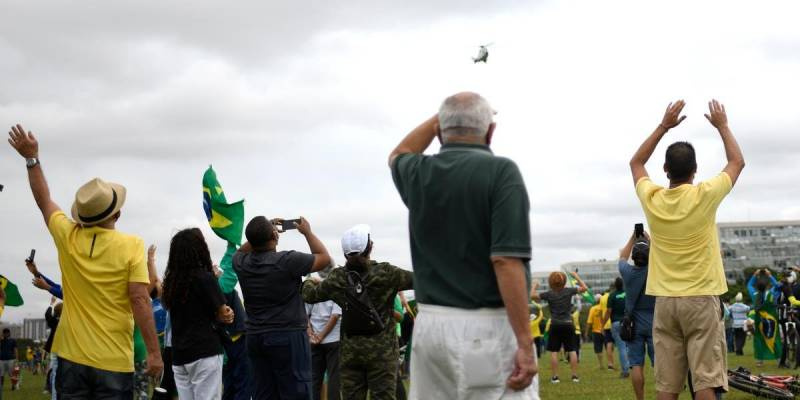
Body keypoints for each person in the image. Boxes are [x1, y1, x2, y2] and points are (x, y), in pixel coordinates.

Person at [389, 92, 538, 399]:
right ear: (490, 132)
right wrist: (525, 342)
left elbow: (399, 153)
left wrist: (440, 120)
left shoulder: (419, 172)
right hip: (485, 327)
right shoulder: (501, 172)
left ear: (440, 132)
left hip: (429, 327)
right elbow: (506, 261)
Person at [7, 124, 164, 398]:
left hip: (70, 357)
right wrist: (153, 352)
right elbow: (140, 300)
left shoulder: (68, 235)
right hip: (114, 359)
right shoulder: (132, 245)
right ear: (117, 214)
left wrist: (32, 159)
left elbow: (43, 201)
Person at [629, 99, 745, 400]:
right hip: (702, 298)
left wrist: (663, 126)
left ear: (665, 169)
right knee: (705, 381)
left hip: (665, 302)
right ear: (695, 170)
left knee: (667, 386)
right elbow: (736, 162)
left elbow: (636, 163)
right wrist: (722, 126)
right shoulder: (704, 195)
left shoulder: (653, 199)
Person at [302, 224, 414, 400]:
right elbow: (418, 280)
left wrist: (310, 281)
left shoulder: (337, 278)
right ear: (370, 247)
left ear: (345, 254)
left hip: (350, 353)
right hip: (382, 354)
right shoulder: (386, 273)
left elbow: (309, 295)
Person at [234, 216, 332, 400]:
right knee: (296, 393)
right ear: (274, 235)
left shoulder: (241, 263)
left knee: (263, 393)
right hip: (288, 335)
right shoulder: (287, 260)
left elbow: (241, 250)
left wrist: (261, 232)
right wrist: (307, 232)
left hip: (255, 337)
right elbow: (324, 259)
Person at [162, 228, 234, 400]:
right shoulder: (205, 278)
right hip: (204, 352)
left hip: (179, 356)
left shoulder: (171, 283)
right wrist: (228, 313)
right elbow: (224, 313)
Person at [531, 271, 588, 383]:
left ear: (550, 282)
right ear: (564, 281)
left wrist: (535, 285)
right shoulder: (568, 291)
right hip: (568, 324)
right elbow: (584, 288)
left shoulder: (549, 294)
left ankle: (555, 377)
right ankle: (575, 376)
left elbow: (532, 296)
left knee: (554, 351)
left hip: (555, 325)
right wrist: (576, 276)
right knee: (572, 350)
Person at [619, 231, 656, 400]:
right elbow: (663, 254)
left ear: (634, 257)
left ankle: (640, 398)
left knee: (636, 364)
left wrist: (633, 238)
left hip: (633, 324)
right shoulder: (656, 270)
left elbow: (622, 256)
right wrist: (650, 239)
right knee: (660, 365)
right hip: (656, 321)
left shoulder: (627, 272)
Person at [305, 295, 342, 400]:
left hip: (314, 340)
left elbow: (305, 314)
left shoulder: (310, 286)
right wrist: (320, 336)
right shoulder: (336, 285)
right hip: (334, 340)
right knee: (334, 379)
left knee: (314, 379)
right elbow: (335, 316)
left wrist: (311, 334)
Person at [747, 269, 782, 367]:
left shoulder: (754, 294)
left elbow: (749, 285)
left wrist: (754, 275)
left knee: (759, 338)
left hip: (760, 320)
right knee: (775, 338)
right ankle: (779, 359)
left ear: (757, 286)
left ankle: (759, 361)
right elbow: (778, 286)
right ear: (767, 286)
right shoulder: (771, 294)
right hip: (772, 319)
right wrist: (770, 275)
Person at [602, 277, 630, 378]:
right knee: (629, 346)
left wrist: (603, 324)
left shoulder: (612, 295)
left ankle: (625, 371)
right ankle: (632, 366)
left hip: (616, 323)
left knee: (622, 347)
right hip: (628, 322)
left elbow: (608, 311)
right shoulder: (628, 293)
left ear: (614, 285)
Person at [44, 297, 62, 399]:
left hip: (55, 351)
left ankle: (55, 397)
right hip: (67, 351)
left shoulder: (54, 321)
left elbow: (47, 315)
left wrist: (51, 303)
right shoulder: (68, 321)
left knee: (55, 375)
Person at [585, 294, 605, 368]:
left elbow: (589, 322)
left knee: (598, 348)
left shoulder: (593, 309)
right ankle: (610, 363)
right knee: (608, 347)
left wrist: (586, 332)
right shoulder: (604, 308)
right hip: (605, 330)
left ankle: (601, 364)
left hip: (596, 331)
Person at [599, 289, 616, 370]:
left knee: (608, 344)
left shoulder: (602, 298)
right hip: (614, 321)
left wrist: (601, 325)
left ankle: (610, 364)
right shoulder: (613, 296)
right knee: (622, 344)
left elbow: (600, 312)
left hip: (606, 324)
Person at [0, 328, 19, 393]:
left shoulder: (13, 340)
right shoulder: (1, 340)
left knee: (11, 374)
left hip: (11, 359)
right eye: (4, 333)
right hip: (2, 359)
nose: (6, 334)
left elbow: (15, 349)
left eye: (7, 333)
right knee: (1, 374)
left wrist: (16, 359)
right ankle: (1, 386)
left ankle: (13, 385)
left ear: (9, 333)